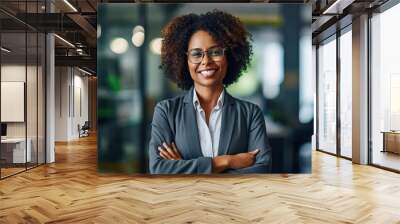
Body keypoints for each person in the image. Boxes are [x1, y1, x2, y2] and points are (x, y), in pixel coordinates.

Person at [148, 10, 271, 174]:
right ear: (184, 60)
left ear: (230, 57)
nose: (206, 61)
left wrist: (184, 168)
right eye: (196, 54)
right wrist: (227, 161)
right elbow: (159, 169)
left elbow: (261, 170)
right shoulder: (166, 111)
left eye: (215, 52)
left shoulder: (250, 114)